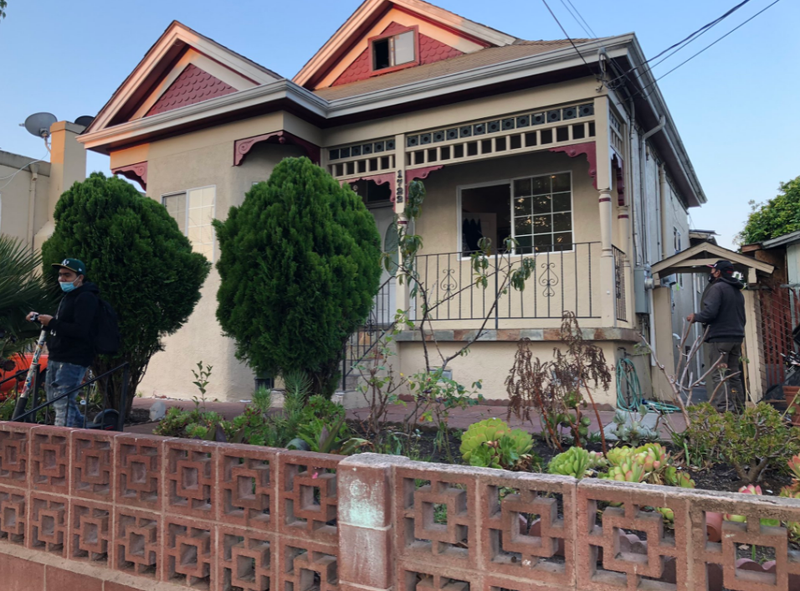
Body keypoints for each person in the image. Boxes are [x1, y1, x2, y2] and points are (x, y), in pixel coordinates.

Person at [26, 258, 99, 427]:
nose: (62, 279)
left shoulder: (86, 298)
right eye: (60, 275)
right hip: (58, 354)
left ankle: (62, 437)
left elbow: (80, 329)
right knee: (54, 397)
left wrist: (52, 322)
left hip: (73, 358)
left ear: (79, 278)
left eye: (67, 275)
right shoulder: (68, 297)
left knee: (62, 399)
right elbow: (61, 323)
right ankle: (82, 428)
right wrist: (41, 319)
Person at [686, 259, 746, 412]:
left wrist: (696, 317)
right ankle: (739, 409)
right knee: (734, 375)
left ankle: (724, 409)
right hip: (736, 337)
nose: (711, 273)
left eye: (713, 270)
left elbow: (710, 313)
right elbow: (742, 317)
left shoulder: (717, 288)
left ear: (718, 272)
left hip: (720, 339)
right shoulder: (737, 292)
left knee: (719, 375)